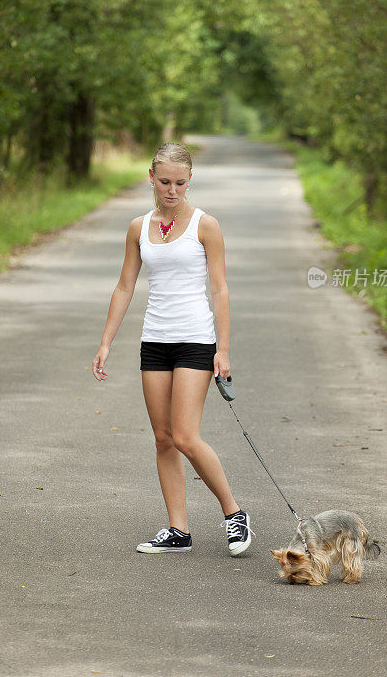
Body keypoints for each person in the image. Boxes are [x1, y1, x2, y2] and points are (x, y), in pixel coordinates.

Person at [92, 142, 254, 556]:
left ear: (190, 180)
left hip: (196, 339)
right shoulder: (138, 227)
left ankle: (234, 514)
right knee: (163, 438)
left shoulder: (206, 225)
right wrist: (107, 341)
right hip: (155, 341)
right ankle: (178, 530)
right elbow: (125, 285)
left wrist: (224, 349)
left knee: (185, 435)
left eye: (180, 182)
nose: (172, 190)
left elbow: (220, 289)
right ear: (151, 177)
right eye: (164, 181)